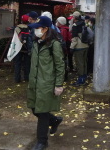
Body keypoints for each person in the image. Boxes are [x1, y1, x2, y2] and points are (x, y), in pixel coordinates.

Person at [27, 16, 65, 150]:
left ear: (45, 29)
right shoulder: (36, 42)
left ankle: (42, 141)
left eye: (38, 28)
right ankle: (54, 120)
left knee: (42, 112)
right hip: (35, 82)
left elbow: (60, 65)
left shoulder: (54, 44)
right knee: (34, 108)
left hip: (46, 83)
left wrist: (59, 84)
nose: (35, 30)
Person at [70, 11, 89, 86]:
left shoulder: (75, 25)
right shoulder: (84, 23)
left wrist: (71, 47)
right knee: (84, 62)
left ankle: (81, 80)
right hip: (86, 45)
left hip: (79, 46)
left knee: (79, 63)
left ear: (74, 18)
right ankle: (84, 76)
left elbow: (74, 38)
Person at [14, 14, 33, 83]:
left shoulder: (17, 28)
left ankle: (17, 78)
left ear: (21, 20)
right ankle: (26, 78)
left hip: (18, 48)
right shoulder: (30, 28)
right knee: (27, 64)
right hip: (27, 48)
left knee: (17, 63)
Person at [55, 16, 71, 80]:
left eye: (58, 21)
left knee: (63, 62)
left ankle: (64, 76)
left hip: (63, 49)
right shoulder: (66, 28)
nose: (57, 22)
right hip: (66, 48)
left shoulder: (63, 30)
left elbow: (62, 40)